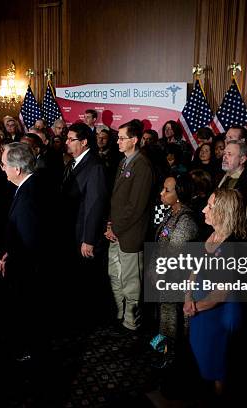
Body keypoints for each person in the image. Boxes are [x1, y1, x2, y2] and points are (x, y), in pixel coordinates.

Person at [183, 189, 246, 398]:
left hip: (220, 315)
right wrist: (187, 297)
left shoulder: (233, 246)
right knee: (199, 357)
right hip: (199, 309)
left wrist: (194, 308)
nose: (204, 210)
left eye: (210, 206)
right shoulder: (208, 234)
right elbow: (194, 269)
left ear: (224, 211)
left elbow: (221, 293)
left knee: (218, 364)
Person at [0, 142, 50, 361]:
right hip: (26, 263)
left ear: (17, 169)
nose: (1, 168)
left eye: (3, 164)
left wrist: (11, 260)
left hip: (28, 269)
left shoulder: (29, 195)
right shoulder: (31, 186)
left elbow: (29, 241)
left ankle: (32, 354)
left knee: (29, 312)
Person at [105, 119, 154, 332]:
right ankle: (120, 314)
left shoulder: (142, 165)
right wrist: (110, 224)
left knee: (131, 282)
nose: (117, 141)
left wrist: (115, 228)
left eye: (122, 138)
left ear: (134, 140)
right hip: (116, 231)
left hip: (130, 234)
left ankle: (131, 322)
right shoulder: (124, 161)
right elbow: (116, 199)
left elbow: (136, 206)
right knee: (115, 276)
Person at [61, 123, 109, 327]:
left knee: (87, 280)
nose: (66, 143)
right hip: (71, 231)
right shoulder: (73, 163)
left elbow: (95, 205)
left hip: (84, 235)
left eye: (71, 139)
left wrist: (88, 239)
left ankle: (90, 320)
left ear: (84, 142)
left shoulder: (95, 166)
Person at [151, 174, 198, 366]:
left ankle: (173, 364)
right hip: (165, 280)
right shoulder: (172, 213)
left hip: (176, 282)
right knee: (165, 322)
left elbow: (173, 254)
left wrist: (158, 270)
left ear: (179, 195)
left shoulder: (186, 220)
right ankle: (165, 358)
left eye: (167, 190)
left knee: (173, 325)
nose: (162, 193)